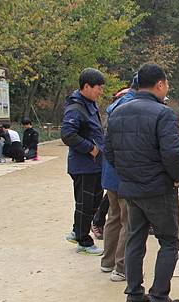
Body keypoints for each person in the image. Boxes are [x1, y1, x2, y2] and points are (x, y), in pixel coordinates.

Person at [106, 62, 179, 302]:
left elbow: (109, 152)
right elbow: (173, 154)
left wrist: (127, 174)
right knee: (169, 242)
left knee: (135, 239)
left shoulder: (117, 112)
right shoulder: (163, 113)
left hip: (130, 188)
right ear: (160, 84)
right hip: (159, 188)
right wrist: (178, 179)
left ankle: (133, 295)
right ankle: (159, 298)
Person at [60, 68, 106, 256]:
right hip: (84, 165)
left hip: (94, 165)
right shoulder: (75, 108)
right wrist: (90, 148)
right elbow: (67, 134)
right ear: (86, 86)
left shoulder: (89, 104)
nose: (100, 91)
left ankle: (76, 230)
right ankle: (83, 241)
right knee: (85, 202)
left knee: (94, 199)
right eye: (98, 88)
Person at [99, 74, 139, 282]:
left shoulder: (115, 106)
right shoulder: (133, 108)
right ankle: (121, 266)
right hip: (124, 174)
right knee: (128, 220)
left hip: (110, 172)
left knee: (113, 217)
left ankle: (107, 261)